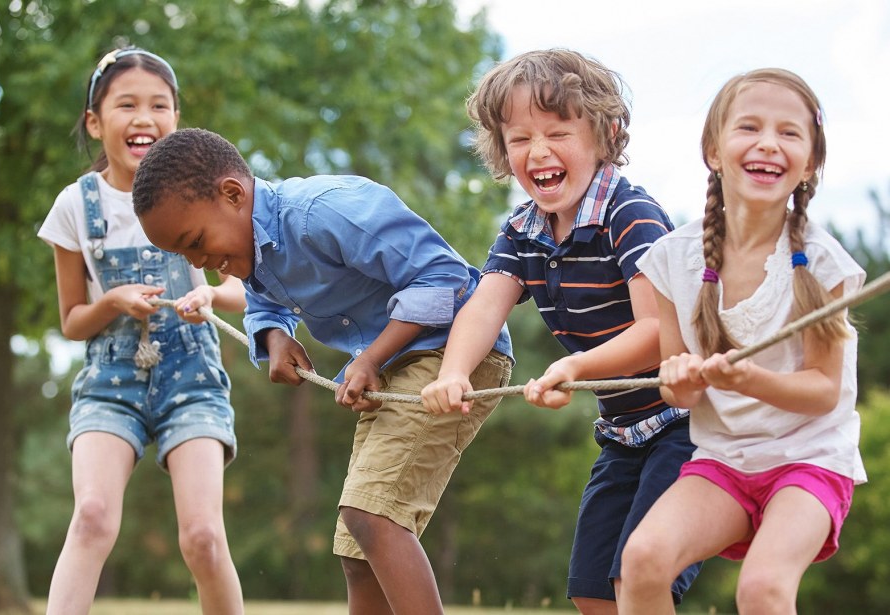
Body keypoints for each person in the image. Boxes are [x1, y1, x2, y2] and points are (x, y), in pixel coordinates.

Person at [131, 127, 514, 614]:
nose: (200, 262)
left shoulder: (322, 212)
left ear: (232, 194)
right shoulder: (256, 251)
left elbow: (445, 278)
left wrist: (371, 357)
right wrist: (275, 338)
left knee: (371, 516)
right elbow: (261, 303)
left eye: (197, 242)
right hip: (397, 368)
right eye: (184, 256)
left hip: (453, 355)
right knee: (358, 550)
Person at [420, 49, 700, 613]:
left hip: (687, 424)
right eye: (519, 138)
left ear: (606, 133)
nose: (538, 152)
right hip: (623, 433)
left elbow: (658, 332)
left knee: (639, 575)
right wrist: (452, 371)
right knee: (591, 591)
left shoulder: (631, 214)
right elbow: (483, 307)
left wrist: (574, 366)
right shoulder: (524, 230)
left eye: (557, 133)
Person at [618, 68, 866, 615]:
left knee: (762, 589)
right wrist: (678, 381)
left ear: (811, 162)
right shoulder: (671, 261)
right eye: (749, 127)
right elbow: (678, 390)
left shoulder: (824, 267)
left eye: (790, 133)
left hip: (810, 461)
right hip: (725, 460)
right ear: (713, 150)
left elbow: (825, 391)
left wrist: (749, 379)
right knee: (642, 560)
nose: (768, 144)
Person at [37, 48, 246, 615]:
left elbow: (241, 289)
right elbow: (72, 320)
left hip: (193, 376)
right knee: (92, 518)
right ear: (95, 121)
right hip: (111, 381)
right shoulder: (74, 207)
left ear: (177, 118)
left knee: (202, 536)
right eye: (126, 104)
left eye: (159, 105)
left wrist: (210, 292)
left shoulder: (205, 191)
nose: (144, 117)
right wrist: (112, 300)